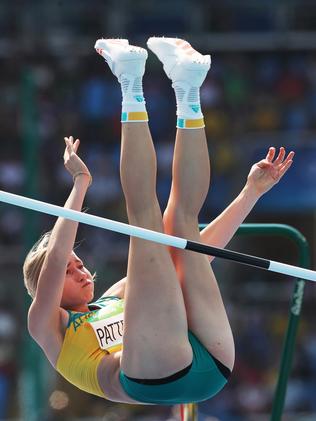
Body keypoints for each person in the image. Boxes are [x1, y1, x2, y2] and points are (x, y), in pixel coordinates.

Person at [23, 38, 294, 405]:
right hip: (168, 375)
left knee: (181, 227)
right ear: (44, 287)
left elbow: (196, 254)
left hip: (205, 362)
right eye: (71, 272)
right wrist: (81, 183)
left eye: (79, 263)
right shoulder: (46, 325)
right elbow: (54, 258)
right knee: (143, 220)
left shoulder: (114, 298)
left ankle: (188, 86)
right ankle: (130, 82)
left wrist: (250, 193)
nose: (81, 271)